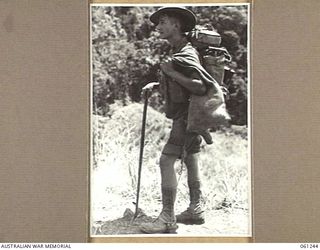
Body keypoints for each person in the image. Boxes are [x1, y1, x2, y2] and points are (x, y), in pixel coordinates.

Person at [140, 7, 212, 234]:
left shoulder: (185, 54)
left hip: (186, 118)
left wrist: (170, 73)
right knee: (191, 158)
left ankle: (167, 218)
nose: (158, 27)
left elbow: (200, 86)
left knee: (166, 161)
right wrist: (157, 84)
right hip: (192, 116)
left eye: (163, 22)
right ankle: (195, 209)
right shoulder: (181, 50)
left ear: (177, 26)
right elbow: (183, 82)